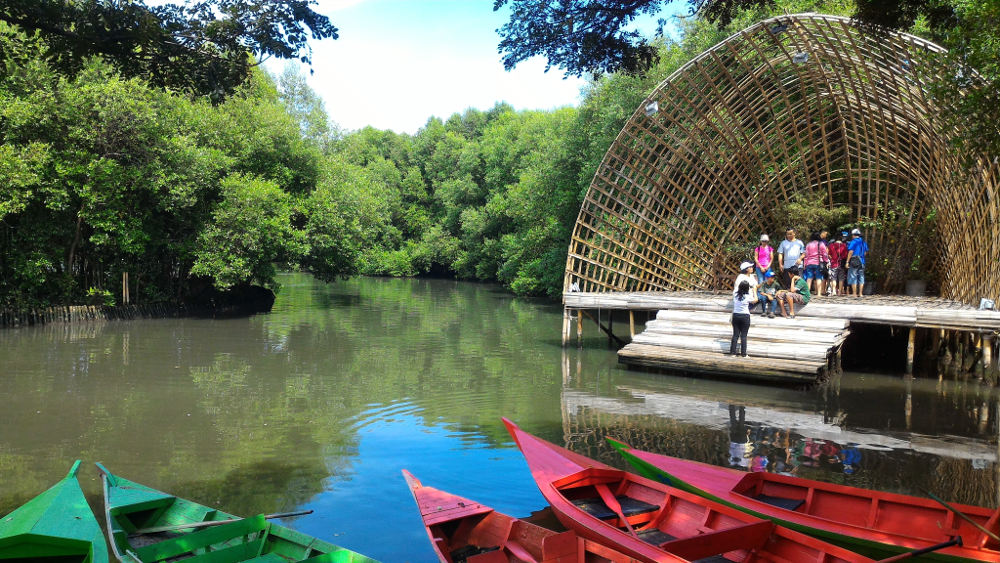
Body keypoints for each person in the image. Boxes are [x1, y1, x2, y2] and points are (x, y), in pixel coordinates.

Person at [730, 279, 755, 356]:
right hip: (745, 316)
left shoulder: (735, 295)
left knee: (735, 335)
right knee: (743, 336)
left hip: (736, 315)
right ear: (747, 288)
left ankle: (732, 353)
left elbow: (737, 288)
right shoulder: (748, 296)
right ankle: (743, 354)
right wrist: (754, 290)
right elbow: (755, 300)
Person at [802, 232, 830, 298]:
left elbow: (806, 255)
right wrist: (826, 261)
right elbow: (825, 254)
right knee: (818, 278)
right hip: (818, 263)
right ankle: (819, 294)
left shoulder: (808, 244)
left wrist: (805, 264)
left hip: (809, 263)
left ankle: (807, 294)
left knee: (809, 278)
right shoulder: (821, 244)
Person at [846, 228, 869, 297]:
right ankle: (861, 293)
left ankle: (854, 293)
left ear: (853, 235)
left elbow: (851, 251)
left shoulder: (853, 242)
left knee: (853, 276)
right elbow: (865, 252)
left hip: (854, 261)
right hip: (862, 261)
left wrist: (847, 261)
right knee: (861, 277)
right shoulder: (863, 242)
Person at [827, 231, 849, 295]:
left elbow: (828, 254)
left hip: (834, 263)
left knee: (834, 278)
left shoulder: (831, 245)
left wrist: (832, 258)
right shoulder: (844, 246)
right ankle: (839, 292)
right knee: (841, 278)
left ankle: (833, 291)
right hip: (841, 264)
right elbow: (845, 255)